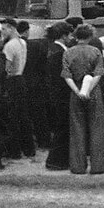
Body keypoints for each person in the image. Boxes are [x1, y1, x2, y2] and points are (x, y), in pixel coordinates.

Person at [61, 25, 104, 174]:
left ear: (76, 36)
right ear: (89, 36)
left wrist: (77, 91)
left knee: (77, 128)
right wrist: (88, 89)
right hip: (93, 91)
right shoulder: (95, 51)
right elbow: (98, 74)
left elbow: (66, 76)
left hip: (75, 90)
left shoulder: (68, 52)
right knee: (97, 127)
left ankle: (77, 166)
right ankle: (98, 166)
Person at [0, 17, 35, 159]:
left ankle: (14, 150)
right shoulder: (23, 43)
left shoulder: (9, 46)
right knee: (24, 116)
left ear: (11, 28)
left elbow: (7, 68)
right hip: (21, 79)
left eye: (3, 29)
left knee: (12, 117)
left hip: (12, 81)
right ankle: (29, 148)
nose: (2, 32)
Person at [44, 21, 74, 171]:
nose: (71, 37)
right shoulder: (60, 53)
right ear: (64, 36)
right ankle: (56, 160)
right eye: (69, 34)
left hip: (55, 95)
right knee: (62, 129)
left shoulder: (52, 49)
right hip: (61, 95)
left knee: (60, 128)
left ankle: (57, 160)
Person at [20, 20, 51, 150]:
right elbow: (44, 65)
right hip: (36, 84)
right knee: (39, 115)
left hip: (20, 83)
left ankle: (26, 143)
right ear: (27, 31)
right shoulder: (37, 46)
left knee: (23, 115)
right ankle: (44, 141)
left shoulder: (11, 45)